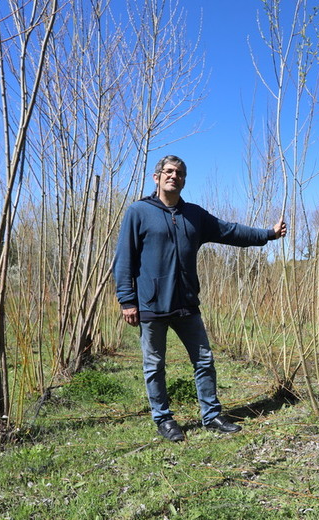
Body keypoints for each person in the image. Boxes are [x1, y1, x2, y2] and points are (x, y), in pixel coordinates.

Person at [113, 155, 286, 441]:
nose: (174, 176)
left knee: (204, 360)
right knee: (154, 365)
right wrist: (127, 301)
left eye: (179, 173)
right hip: (151, 305)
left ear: (183, 180)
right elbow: (124, 260)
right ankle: (164, 419)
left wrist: (267, 234)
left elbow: (230, 231)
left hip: (187, 304)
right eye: (168, 171)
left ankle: (211, 415)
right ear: (156, 177)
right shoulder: (138, 212)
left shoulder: (194, 215)